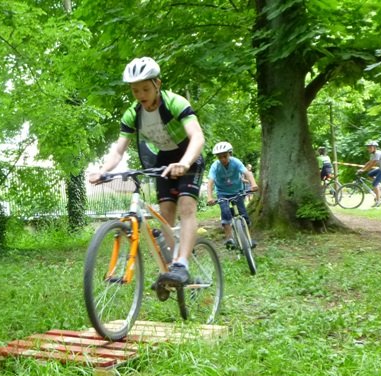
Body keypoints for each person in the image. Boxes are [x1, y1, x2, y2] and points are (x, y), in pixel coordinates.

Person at [88, 57, 205, 297]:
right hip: (163, 159)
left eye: (145, 88)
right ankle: (175, 268)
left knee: (186, 207)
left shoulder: (175, 103)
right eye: (135, 90)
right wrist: (104, 170)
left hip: (188, 156)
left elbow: (197, 137)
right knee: (166, 217)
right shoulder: (133, 114)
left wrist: (184, 163)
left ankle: (183, 262)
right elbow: (118, 149)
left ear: (157, 84)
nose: (140, 94)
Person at [206, 141, 258, 248]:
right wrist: (210, 197)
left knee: (243, 214)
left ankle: (249, 238)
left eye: (225, 156)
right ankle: (229, 238)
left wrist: (253, 184)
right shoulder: (215, 166)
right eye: (219, 157)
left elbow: (247, 173)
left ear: (230, 154)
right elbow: (210, 182)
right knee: (225, 214)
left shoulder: (236, 162)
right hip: (222, 193)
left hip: (237, 191)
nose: (223, 159)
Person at [357, 140, 381, 207]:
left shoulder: (377, 153)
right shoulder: (372, 154)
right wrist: (362, 169)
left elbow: (373, 164)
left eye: (370, 147)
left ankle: (378, 201)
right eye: (368, 147)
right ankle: (380, 187)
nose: (369, 149)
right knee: (370, 174)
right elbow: (369, 162)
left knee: (374, 184)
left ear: (374, 148)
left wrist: (364, 170)